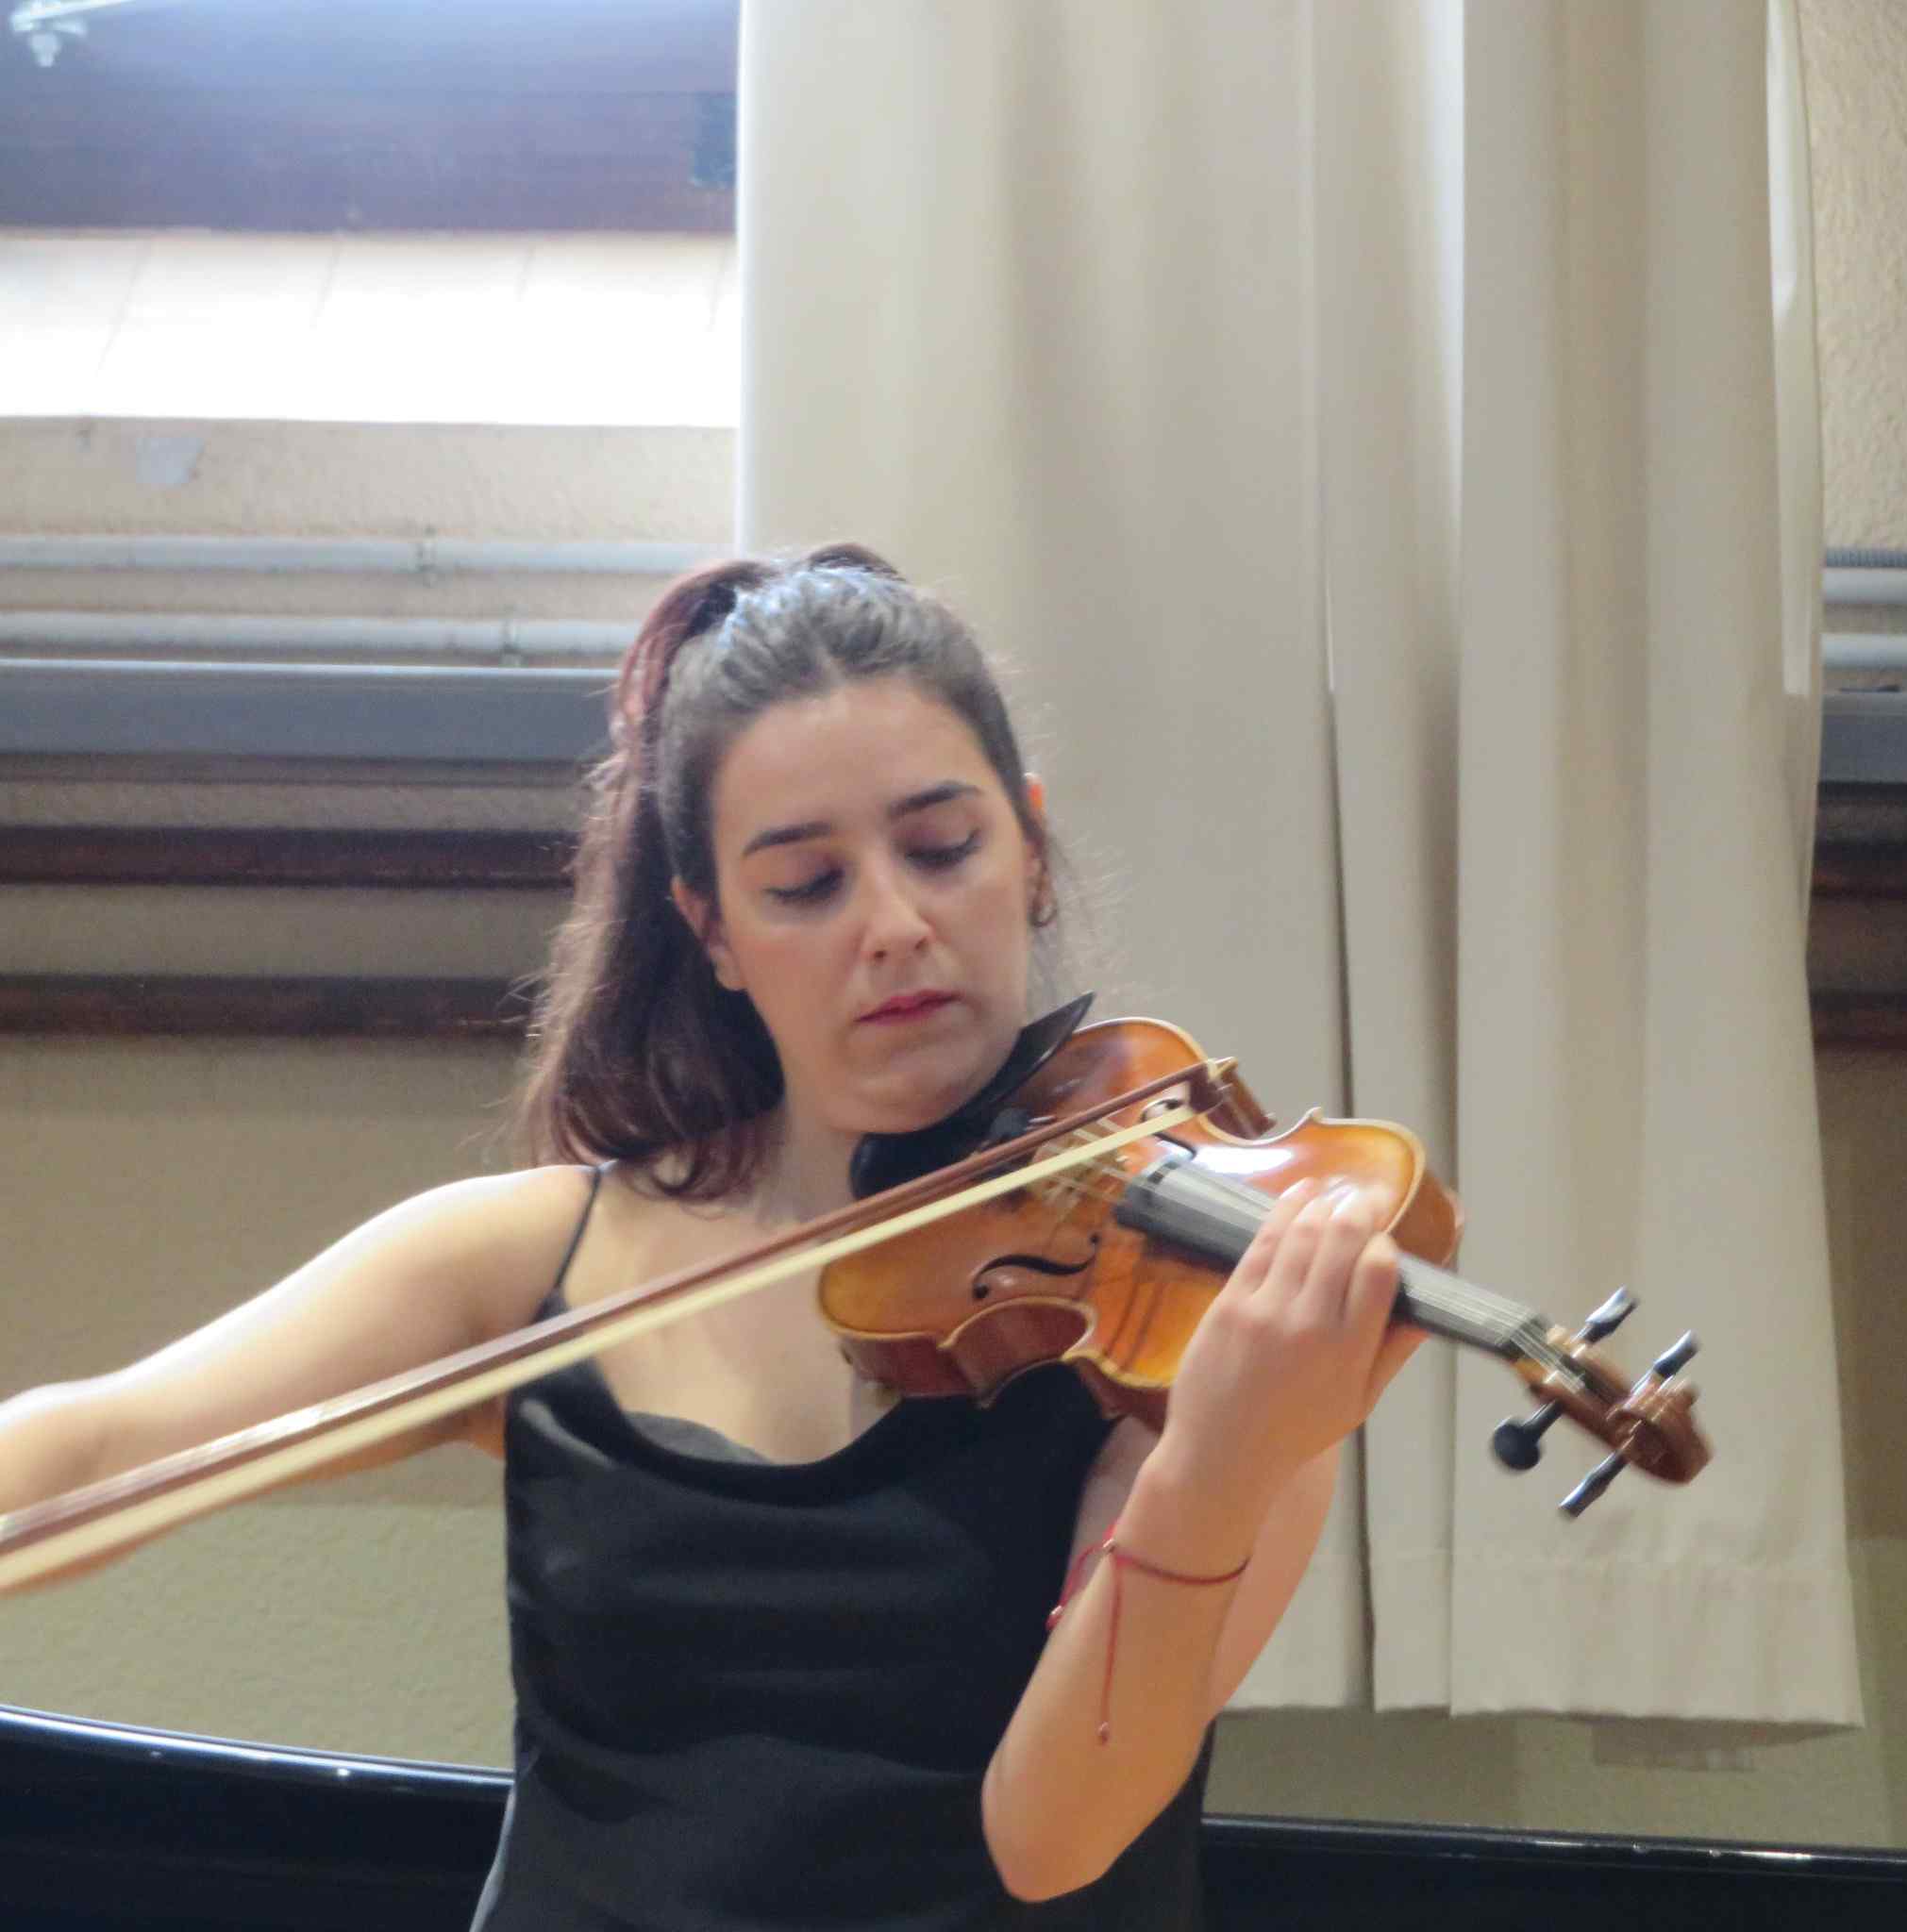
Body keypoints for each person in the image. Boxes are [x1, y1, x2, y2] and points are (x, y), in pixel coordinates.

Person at [0, 545, 1423, 1928]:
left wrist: (1222, 1464)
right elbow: (104, 1446)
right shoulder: (527, 1264)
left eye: (942, 848)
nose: (894, 923)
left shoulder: (1195, 1319)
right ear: (714, 931)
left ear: (1031, 850)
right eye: (805, 885)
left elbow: (1051, 1840)